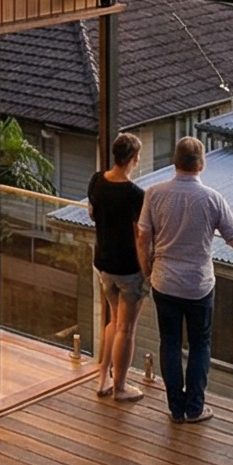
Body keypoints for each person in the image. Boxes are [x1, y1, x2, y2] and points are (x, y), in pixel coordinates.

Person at [140, 135, 233, 424]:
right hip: (199, 285)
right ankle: (195, 408)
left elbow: (143, 236)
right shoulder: (212, 198)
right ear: (201, 164)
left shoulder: (154, 193)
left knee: (170, 343)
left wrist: (147, 269)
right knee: (200, 344)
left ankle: (176, 408)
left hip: (164, 280)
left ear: (175, 161)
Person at [85, 133, 149, 401]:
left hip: (104, 263)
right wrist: (146, 271)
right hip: (128, 268)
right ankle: (120, 387)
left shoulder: (97, 181)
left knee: (113, 321)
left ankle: (103, 379)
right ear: (133, 159)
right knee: (126, 328)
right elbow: (140, 237)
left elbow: (91, 213)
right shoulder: (135, 195)